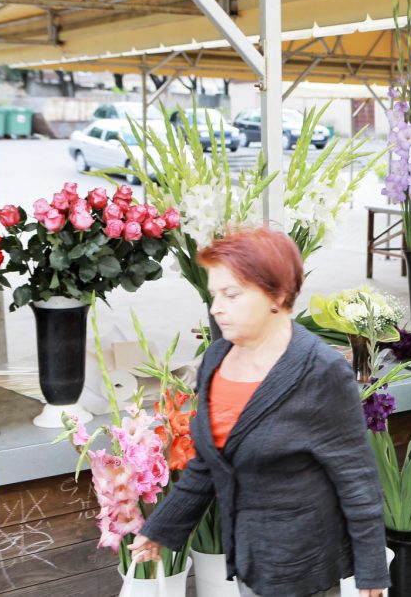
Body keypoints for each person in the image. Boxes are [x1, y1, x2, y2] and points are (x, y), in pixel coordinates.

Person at [129, 227, 389, 597]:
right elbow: (209, 460)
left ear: (277, 295)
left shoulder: (320, 371)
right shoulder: (217, 358)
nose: (216, 307)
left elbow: (357, 479)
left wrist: (372, 577)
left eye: (231, 294)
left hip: (300, 565)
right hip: (248, 557)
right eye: (214, 294)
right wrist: (160, 529)